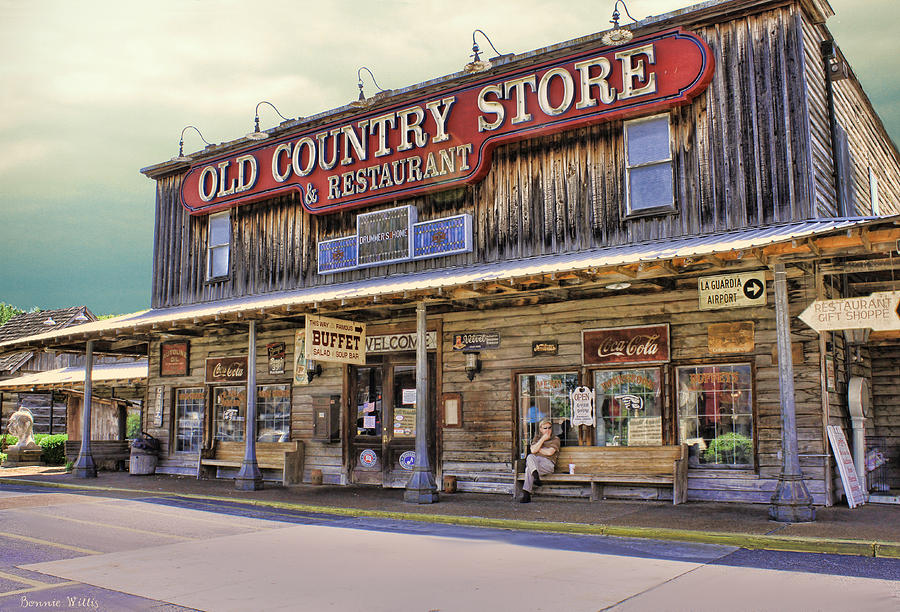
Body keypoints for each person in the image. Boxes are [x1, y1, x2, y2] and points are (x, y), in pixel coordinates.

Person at [518, 418, 560, 503]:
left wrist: (538, 448)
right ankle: (535, 476)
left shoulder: (555, 439)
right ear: (540, 429)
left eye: (549, 428)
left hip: (548, 464)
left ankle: (526, 494)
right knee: (530, 456)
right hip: (536, 462)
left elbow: (549, 452)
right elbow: (533, 451)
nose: (548, 430)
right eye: (545, 428)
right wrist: (542, 440)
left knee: (528, 469)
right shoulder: (537, 438)